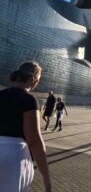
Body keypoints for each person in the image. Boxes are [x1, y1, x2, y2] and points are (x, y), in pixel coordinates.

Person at [0, 62, 51, 192]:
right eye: (38, 79)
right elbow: (34, 141)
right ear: (33, 79)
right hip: (14, 156)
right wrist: (46, 179)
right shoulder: (29, 100)